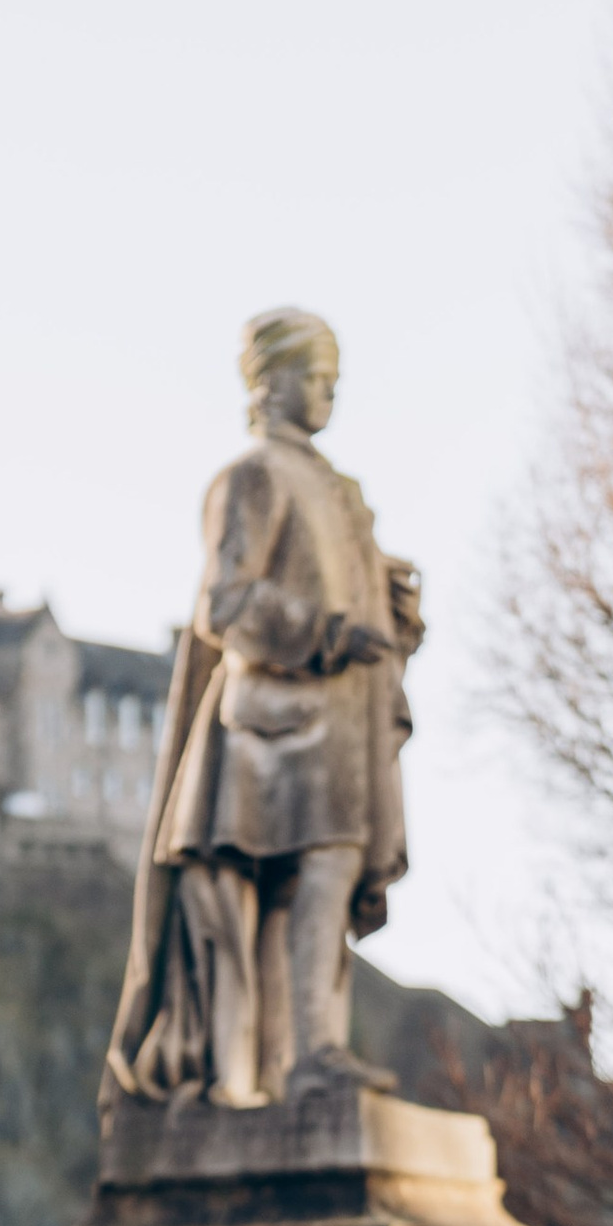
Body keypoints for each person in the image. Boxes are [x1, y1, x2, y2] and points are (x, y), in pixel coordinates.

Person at [104, 307, 424, 1110]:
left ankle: (313, 1051)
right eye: (316, 376)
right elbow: (227, 602)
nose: (330, 392)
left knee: (331, 873)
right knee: (277, 899)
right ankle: (289, 1060)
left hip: (339, 732)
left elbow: (359, 601)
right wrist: (322, 631)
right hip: (272, 734)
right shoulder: (252, 476)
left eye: (335, 379)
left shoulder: (339, 490)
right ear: (271, 380)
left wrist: (392, 616)